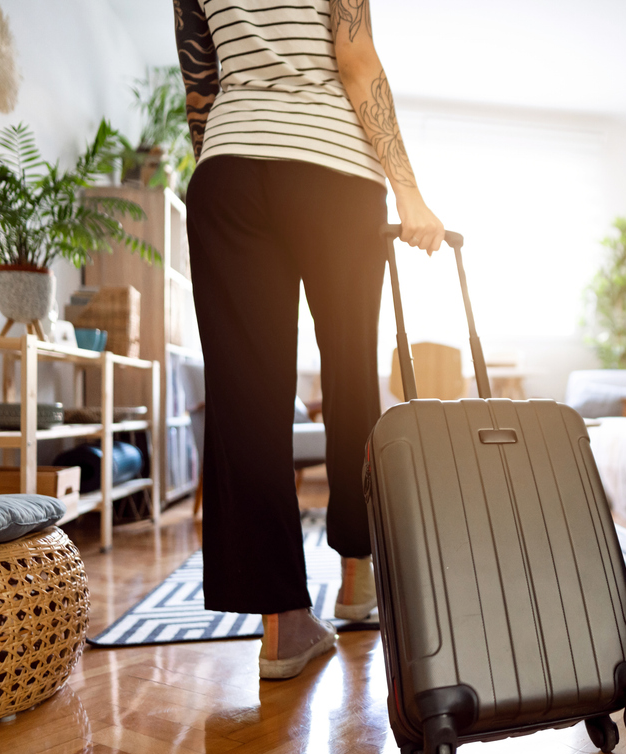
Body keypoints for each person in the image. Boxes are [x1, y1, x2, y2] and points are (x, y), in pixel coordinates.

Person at [174, 0, 443, 679]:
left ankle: (282, 627)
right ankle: (357, 581)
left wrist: (232, 157)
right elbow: (355, 59)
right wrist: (409, 192)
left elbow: (200, 83)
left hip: (229, 169)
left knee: (246, 393)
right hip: (333, 170)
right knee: (351, 375)